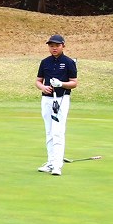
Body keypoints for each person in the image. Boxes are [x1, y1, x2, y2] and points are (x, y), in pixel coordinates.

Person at [35, 34, 78, 176]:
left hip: (61, 99)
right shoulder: (45, 62)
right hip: (46, 99)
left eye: (57, 45)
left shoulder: (69, 62)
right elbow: (38, 81)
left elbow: (74, 83)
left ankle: (57, 165)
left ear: (63, 46)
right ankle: (50, 162)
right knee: (49, 132)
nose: (54, 48)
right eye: (51, 46)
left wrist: (61, 84)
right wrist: (43, 87)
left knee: (57, 132)